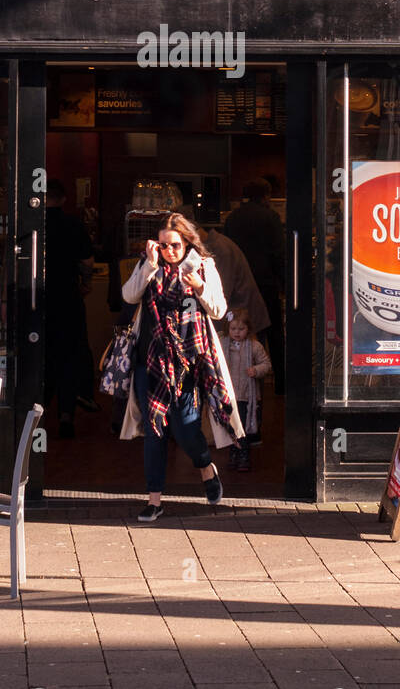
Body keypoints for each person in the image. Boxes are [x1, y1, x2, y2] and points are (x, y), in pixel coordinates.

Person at [119, 212, 244, 522]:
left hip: (188, 364)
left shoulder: (203, 266)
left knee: (186, 429)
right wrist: (149, 264)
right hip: (151, 362)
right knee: (154, 432)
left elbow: (218, 310)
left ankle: (205, 466)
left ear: (187, 243)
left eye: (174, 245)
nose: (168, 251)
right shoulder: (150, 265)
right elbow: (128, 295)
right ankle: (154, 500)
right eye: (162, 245)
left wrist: (200, 286)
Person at [223, 180, 285, 393]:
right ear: (265, 196)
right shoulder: (271, 217)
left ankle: (241, 381)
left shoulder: (232, 219)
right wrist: (285, 285)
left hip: (240, 287)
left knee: (241, 331)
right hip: (266, 283)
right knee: (274, 333)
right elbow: (279, 254)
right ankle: (280, 384)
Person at [43, 179, 94, 438]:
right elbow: (86, 260)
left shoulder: (30, 223)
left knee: (40, 358)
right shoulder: (73, 224)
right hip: (68, 298)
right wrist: (86, 283)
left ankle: (35, 414)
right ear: (63, 199)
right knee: (68, 356)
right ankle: (66, 414)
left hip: (36, 301)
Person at [218, 307, 271, 472]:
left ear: (248, 329)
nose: (237, 332)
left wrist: (256, 370)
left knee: (243, 427)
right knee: (231, 426)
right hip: (229, 394)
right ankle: (233, 453)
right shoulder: (223, 344)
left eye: (241, 329)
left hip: (246, 396)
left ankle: (243, 455)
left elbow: (266, 364)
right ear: (228, 329)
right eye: (233, 328)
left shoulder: (254, 346)